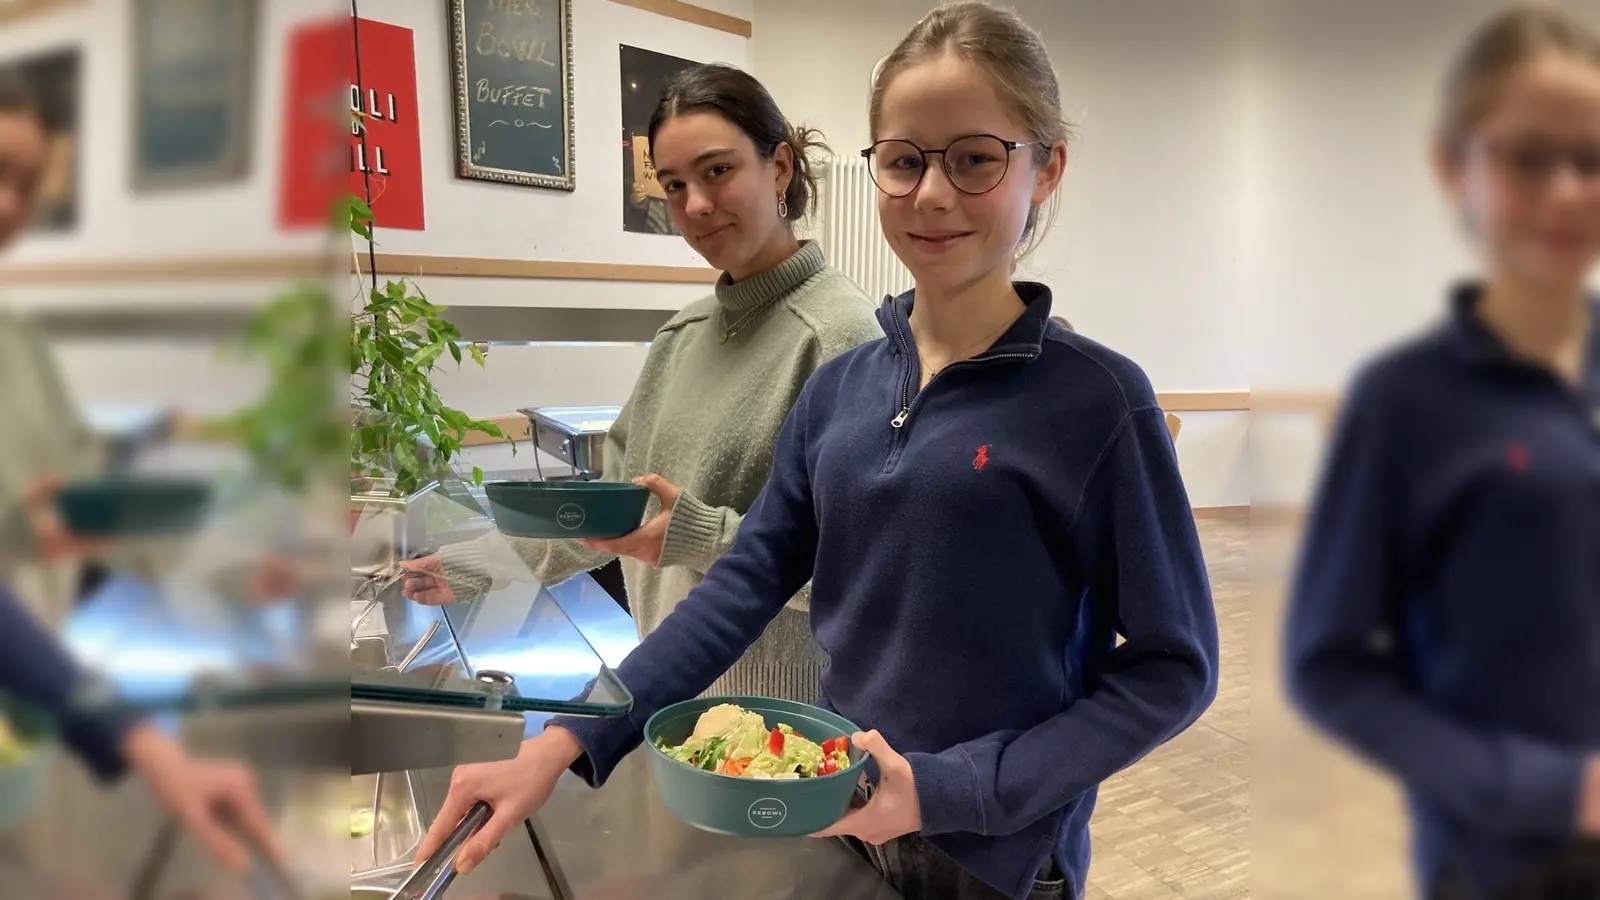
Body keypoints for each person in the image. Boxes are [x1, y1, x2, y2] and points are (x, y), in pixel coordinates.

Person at [415, 5, 1219, 900]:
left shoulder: (1099, 402)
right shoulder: (842, 390)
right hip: (830, 809)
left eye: (976, 158)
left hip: (995, 854)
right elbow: (740, 585)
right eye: (905, 160)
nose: (932, 195)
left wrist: (955, 788)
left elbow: (1173, 667)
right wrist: (568, 741)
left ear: (1046, 164)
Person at [401, 64, 882, 704]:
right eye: (675, 185)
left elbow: (866, 572)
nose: (696, 206)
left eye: (718, 171)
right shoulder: (683, 332)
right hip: (671, 692)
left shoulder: (839, 334)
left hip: (784, 720)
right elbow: (608, 504)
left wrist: (700, 537)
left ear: (781, 167)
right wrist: (479, 565)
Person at [1284, 6, 1600, 900]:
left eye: (1591, 159)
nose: (1570, 190)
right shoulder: (1406, 401)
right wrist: (1549, 791)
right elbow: (1329, 664)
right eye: (1529, 159)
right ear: (1455, 166)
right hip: (1511, 862)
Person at [0, 75, 281, 871]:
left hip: (33, 692)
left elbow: (84, 494)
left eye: (25, 183)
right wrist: (139, 741)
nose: (9, 207)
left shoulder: (15, 345)